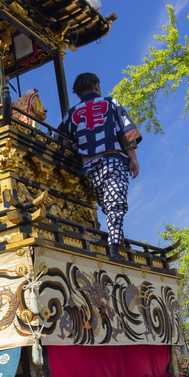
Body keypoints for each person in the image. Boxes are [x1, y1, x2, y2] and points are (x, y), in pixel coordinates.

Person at [57, 72, 142, 259]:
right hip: (113, 161)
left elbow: (59, 139)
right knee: (116, 205)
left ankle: (116, 239)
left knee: (108, 205)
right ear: (97, 85)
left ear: (78, 94)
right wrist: (133, 158)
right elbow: (126, 130)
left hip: (90, 169)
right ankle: (114, 249)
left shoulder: (71, 114)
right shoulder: (110, 103)